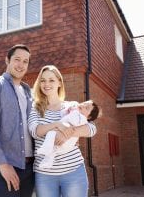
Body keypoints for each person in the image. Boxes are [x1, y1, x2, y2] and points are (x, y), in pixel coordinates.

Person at [28, 65, 97, 197]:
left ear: (59, 82)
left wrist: (68, 133)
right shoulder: (35, 108)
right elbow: (35, 131)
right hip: (45, 175)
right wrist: (58, 124)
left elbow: (92, 128)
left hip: (74, 172)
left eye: (51, 80)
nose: (46, 84)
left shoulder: (71, 106)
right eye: (43, 80)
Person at [0, 44, 34, 197]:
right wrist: (2, 164)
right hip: (7, 166)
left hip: (29, 166)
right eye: (17, 59)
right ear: (7, 60)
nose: (21, 65)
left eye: (25, 61)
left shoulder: (28, 92)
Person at [37, 100, 100, 168]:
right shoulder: (74, 109)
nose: (83, 106)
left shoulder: (82, 118)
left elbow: (73, 123)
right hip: (65, 143)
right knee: (52, 152)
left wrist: (72, 111)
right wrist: (68, 110)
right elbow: (63, 115)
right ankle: (47, 162)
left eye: (87, 108)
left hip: (68, 141)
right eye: (84, 103)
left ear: (89, 117)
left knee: (50, 134)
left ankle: (46, 148)